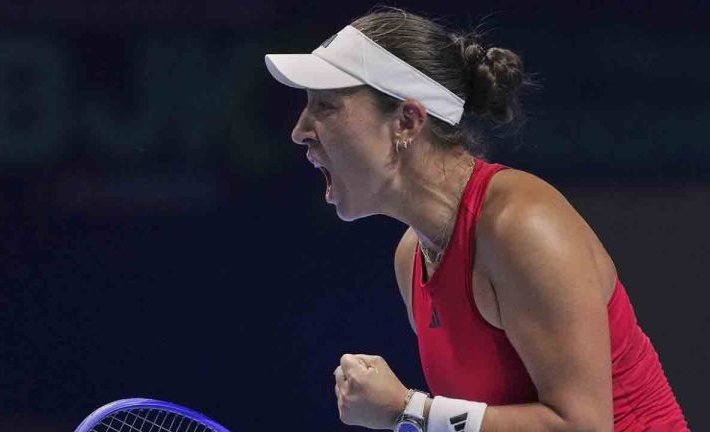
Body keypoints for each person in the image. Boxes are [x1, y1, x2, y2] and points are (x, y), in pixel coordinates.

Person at [264, 7, 688, 432]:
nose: (300, 129)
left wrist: (409, 411)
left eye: (326, 105)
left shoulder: (522, 225)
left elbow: (585, 426)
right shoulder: (411, 256)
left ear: (407, 122)